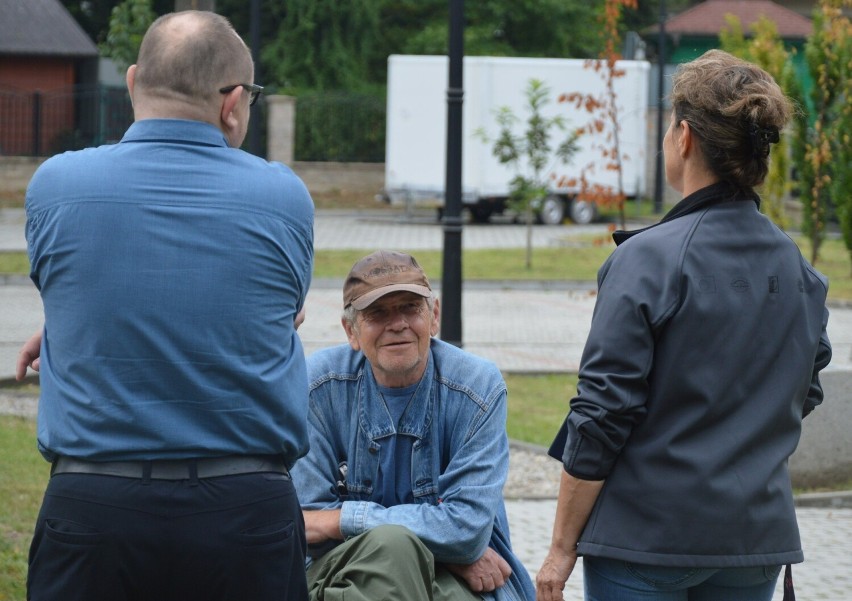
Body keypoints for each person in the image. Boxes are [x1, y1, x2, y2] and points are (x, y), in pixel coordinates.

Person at [16, 11, 313, 601]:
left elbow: (82, 288)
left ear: (131, 83)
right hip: (245, 508)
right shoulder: (283, 196)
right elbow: (277, 312)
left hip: (93, 508)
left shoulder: (55, 185)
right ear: (232, 104)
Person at [536, 49, 832, 601]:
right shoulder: (799, 268)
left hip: (646, 540)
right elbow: (806, 388)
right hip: (752, 542)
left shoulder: (647, 260)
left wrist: (559, 548)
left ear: (685, 137)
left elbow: (600, 415)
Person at [291, 250, 535, 601]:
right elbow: (308, 530)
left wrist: (343, 519)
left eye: (410, 307)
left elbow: (466, 531)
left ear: (433, 317)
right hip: (347, 570)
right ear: (351, 331)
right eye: (377, 313)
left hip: (462, 580)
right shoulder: (318, 386)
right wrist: (443, 548)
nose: (397, 323)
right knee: (391, 549)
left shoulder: (477, 387)